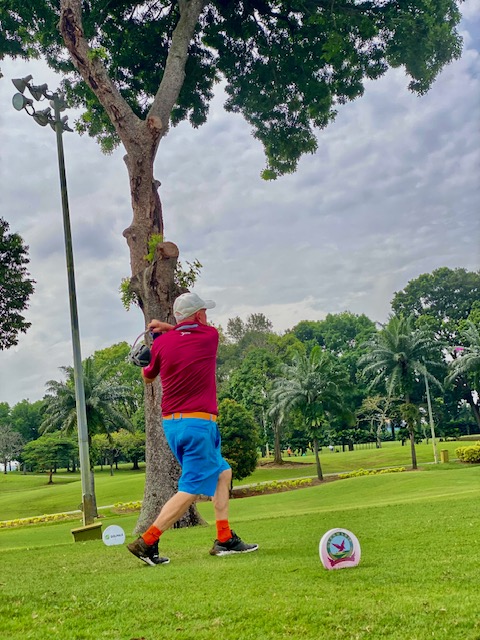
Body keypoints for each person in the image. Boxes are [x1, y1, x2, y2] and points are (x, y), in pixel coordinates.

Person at [127, 292, 259, 566]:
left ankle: (224, 538)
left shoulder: (162, 344)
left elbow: (148, 376)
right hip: (198, 425)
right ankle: (147, 542)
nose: (207, 316)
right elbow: (187, 333)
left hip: (173, 425)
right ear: (199, 315)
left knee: (223, 473)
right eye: (204, 312)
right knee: (189, 489)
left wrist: (157, 342)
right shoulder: (209, 336)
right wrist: (168, 328)